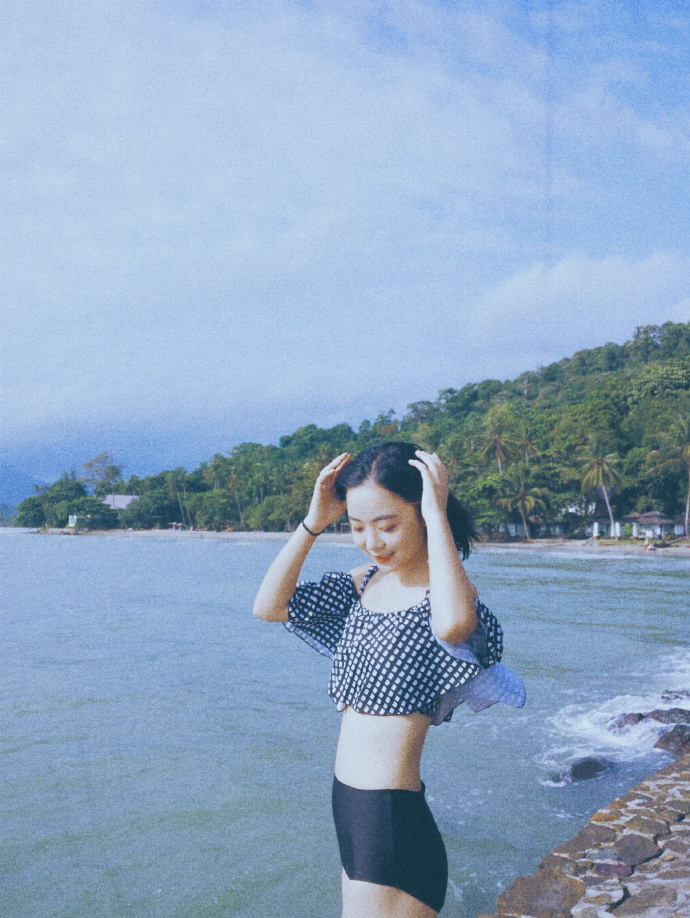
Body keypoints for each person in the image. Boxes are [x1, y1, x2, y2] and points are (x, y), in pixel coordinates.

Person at [253, 442, 525, 918]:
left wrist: (437, 513)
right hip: (353, 810)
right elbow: (270, 607)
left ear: (421, 513)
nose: (372, 542)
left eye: (388, 525)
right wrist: (314, 522)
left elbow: (454, 627)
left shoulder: (447, 595)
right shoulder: (364, 582)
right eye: (357, 527)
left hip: (389, 818)